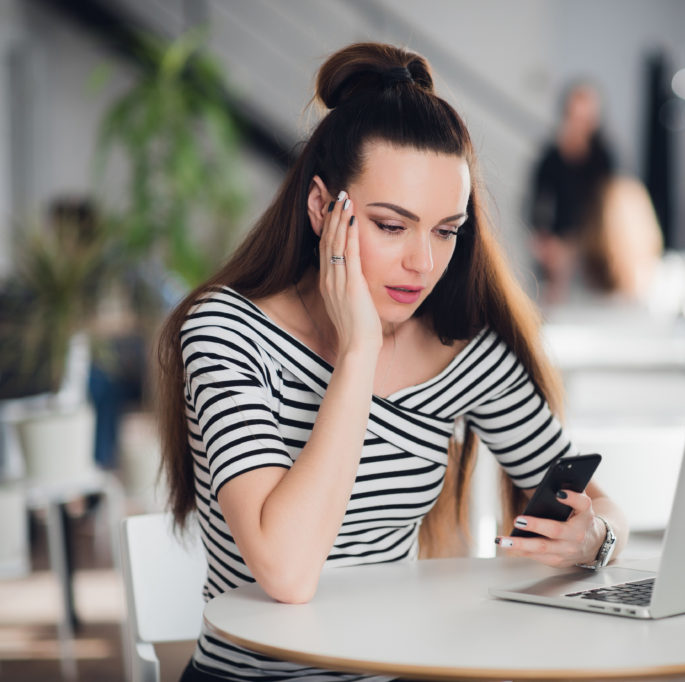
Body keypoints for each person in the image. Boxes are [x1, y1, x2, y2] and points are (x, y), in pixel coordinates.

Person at [156, 42, 629, 682]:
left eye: (444, 230)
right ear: (324, 209)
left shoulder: (464, 353)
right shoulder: (225, 333)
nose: (423, 264)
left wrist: (597, 539)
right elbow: (288, 573)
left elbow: (602, 506)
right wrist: (358, 352)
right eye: (389, 225)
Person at [527, 81, 614, 304]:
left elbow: (608, 206)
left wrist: (579, 244)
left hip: (594, 239)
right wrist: (543, 239)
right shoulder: (551, 156)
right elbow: (536, 203)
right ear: (565, 115)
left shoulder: (603, 158)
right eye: (575, 118)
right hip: (558, 241)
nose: (580, 125)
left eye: (586, 119)